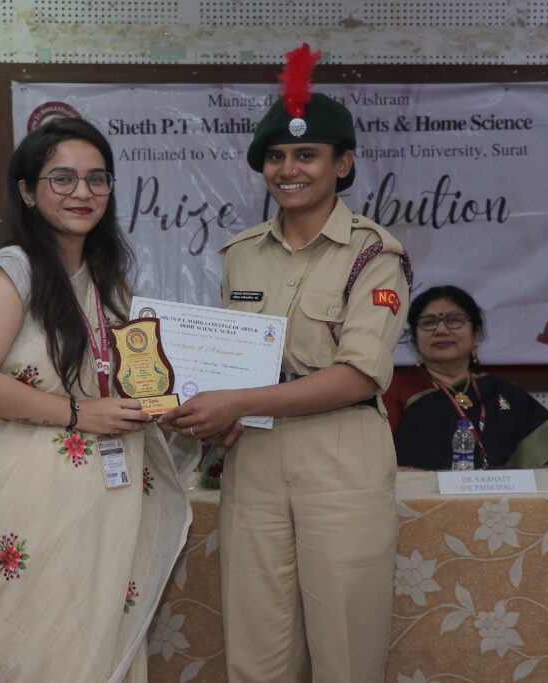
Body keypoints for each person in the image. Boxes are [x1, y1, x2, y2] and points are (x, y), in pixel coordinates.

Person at [159, 44, 409, 682]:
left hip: (342, 456)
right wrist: (200, 409)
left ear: (342, 164)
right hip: (255, 459)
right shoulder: (241, 253)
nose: (288, 169)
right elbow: (227, 366)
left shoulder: (375, 254)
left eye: (307, 155)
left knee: (346, 652)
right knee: (256, 652)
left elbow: (358, 375)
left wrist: (237, 402)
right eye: (276, 156)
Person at [0, 116, 196, 681]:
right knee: (35, 652)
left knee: (99, 652)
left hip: (105, 503)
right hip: (33, 500)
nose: (82, 192)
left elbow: (120, 378)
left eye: (97, 178)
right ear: (27, 191)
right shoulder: (13, 272)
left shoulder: (108, 280)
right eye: (62, 179)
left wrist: (170, 407)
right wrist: (80, 414)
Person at [385, 285, 548, 470]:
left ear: (476, 334)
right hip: (418, 493)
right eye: (429, 323)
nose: (441, 330)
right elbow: (376, 459)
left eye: (454, 320)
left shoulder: (503, 394)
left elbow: (547, 459)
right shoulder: (395, 389)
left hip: (504, 494)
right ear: (415, 339)